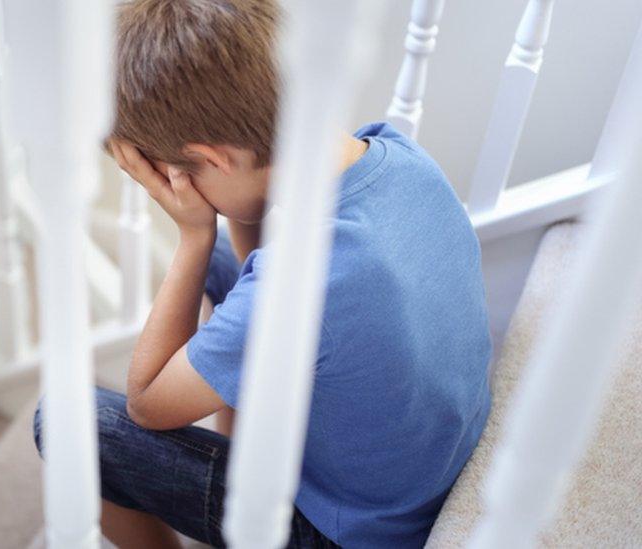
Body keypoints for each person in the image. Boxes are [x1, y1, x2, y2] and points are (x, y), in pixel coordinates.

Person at [34, 1, 492, 547]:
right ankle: (238, 438)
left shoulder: (312, 282)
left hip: (350, 530)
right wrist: (224, 215)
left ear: (214, 158)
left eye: (179, 176)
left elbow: (147, 404)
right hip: (414, 467)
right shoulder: (401, 156)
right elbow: (264, 263)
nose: (176, 193)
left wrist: (193, 236)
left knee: (70, 425)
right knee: (229, 267)